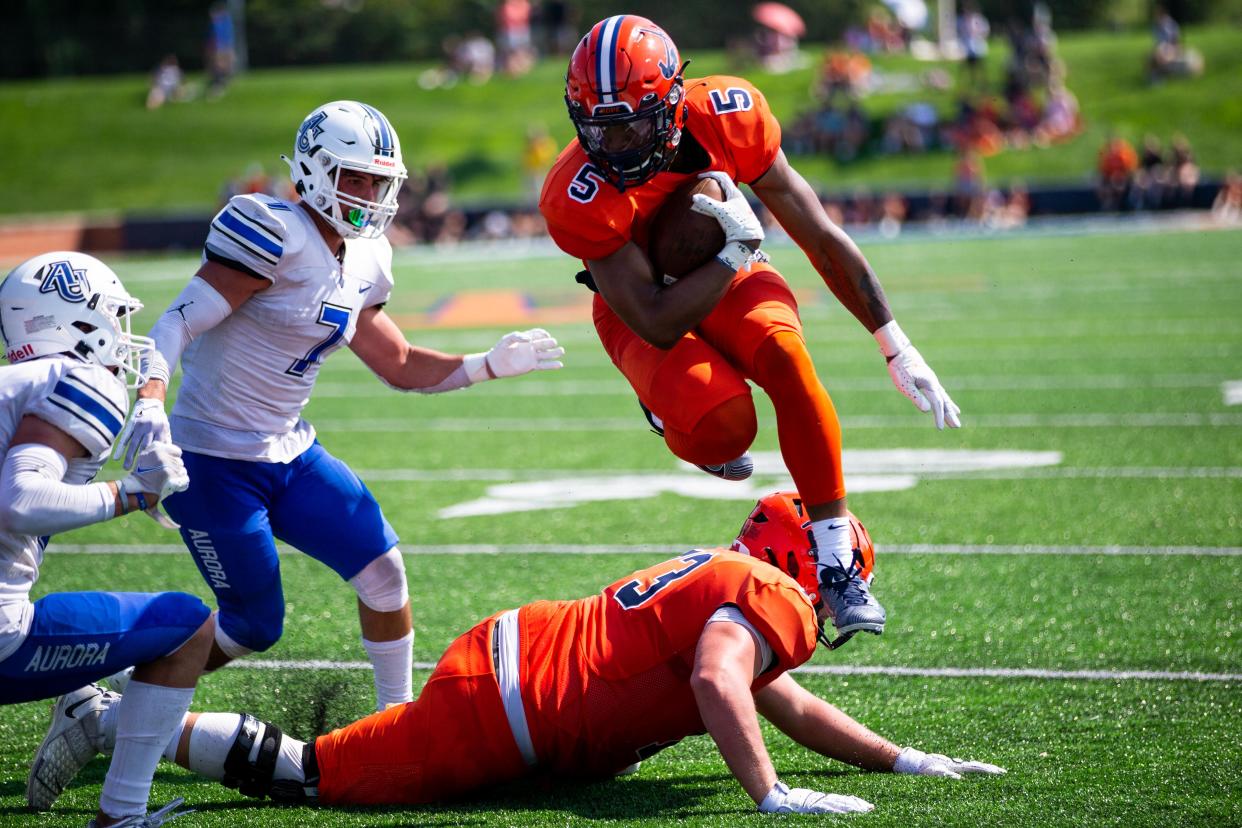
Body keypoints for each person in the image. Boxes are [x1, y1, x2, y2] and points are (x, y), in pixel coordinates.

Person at [63, 492, 1004, 815]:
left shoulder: (731, 579)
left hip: (516, 660)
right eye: (838, 571)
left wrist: (904, 758)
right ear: (804, 559)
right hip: (507, 706)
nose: (842, 592)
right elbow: (724, 681)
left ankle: (122, 722)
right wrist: (770, 795)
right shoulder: (768, 593)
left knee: (350, 751)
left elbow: (776, 700)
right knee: (312, 776)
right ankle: (111, 721)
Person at [111, 100, 565, 713]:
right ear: (315, 169)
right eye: (356, 177)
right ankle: (117, 704)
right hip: (212, 458)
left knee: (385, 574)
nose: (370, 193)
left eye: (379, 180)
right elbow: (176, 324)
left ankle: (396, 721)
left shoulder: (369, 255)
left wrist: (485, 364)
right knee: (253, 626)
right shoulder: (271, 230)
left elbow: (399, 363)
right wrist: (150, 400)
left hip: (290, 450)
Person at [538, 16, 960, 643]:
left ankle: (839, 564)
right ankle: (671, 414)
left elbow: (818, 233)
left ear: (672, 101)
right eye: (601, 128)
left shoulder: (731, 116)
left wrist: (893, 342)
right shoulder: (573, 192)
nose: (617, 144)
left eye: (631, 122)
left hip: (726, 263)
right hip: (640, 304)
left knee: (789, 360)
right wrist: (735, 253)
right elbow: (653, 319)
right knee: (722, 426)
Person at [0, 251, 215, 827]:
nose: (121, 334)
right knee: (189, 628)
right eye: (111, 317)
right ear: (73, 321)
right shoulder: (79, 378)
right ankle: (120, 815)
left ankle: (85, 707)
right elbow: (20, 500)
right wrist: (135, 493)